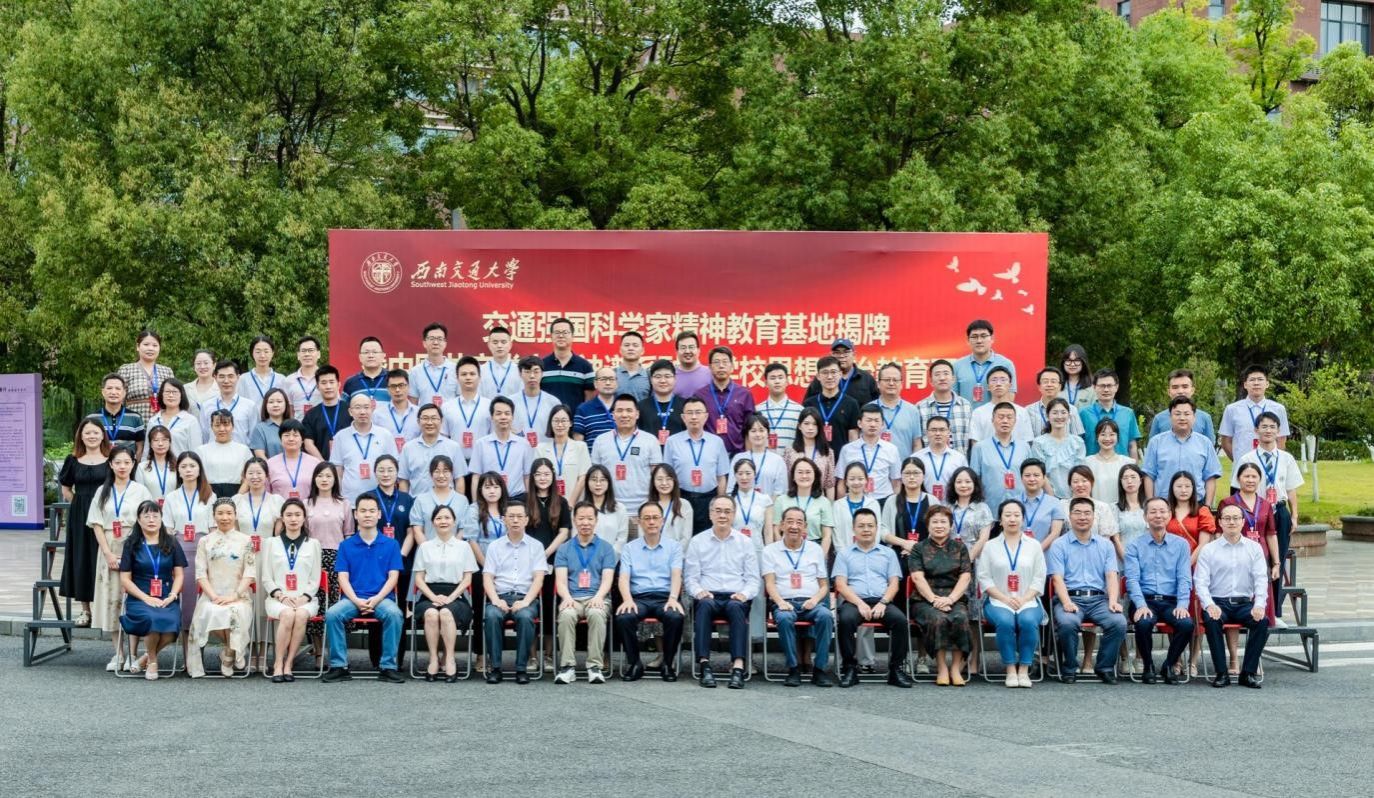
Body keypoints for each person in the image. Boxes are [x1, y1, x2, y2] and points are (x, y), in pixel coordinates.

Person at [322, 494, 405, 683]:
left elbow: (393, 577)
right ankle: (339, 666)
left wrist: (376, 599)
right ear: (356, 514)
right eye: (363, 511)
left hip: (382, 599)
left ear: (379, 514)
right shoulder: (346, 545)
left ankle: (388, 667)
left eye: (372, 511)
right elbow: (342, 577)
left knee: (394, 614)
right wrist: (356, 600)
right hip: (352, 599)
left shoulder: (391, 544)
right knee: (333, 614)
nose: (367, 514)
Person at [1048, 497, 1127, 683]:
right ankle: (1070, 668)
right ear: (1070, 516)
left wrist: (1113, 601)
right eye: (1077, 513)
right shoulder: (1059, 544)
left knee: (1118, 622)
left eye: (1087, 513)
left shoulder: (1106, 545)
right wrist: (1066, 602)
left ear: (1094, 516)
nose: (1082, 517)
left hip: (1099, 600)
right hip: (1070, 598)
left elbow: (1111, 576)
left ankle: (1105, 667)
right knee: (1067, 623)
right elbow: (1057, 579)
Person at [1233, 411, 1303, 619]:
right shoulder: (1247, 458)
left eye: (1272, 427)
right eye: (1264, 426)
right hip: (1255, 512)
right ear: (1256, 430)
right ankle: (1251, 607)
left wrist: (1294, 515)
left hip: (1279, 511)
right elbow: (1236, 489)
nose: (1268, 430)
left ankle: (1275, 613)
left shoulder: (1286, 458)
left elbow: (1291, 489)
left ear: (1278, 431)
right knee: (1253, 559)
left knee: (1277, 559)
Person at [88, 447, 154, 670]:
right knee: (112, 600)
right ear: (111, 465)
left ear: (133, 464)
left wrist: (134, 552)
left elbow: (149, 521)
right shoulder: (102, 491)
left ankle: (134, 653)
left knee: (132, 600)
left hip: (134, 545)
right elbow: (96, 523)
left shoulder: (141, 490)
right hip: (109, 546)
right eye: (118, 462)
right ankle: (118, 653)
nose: (122, 466)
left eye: (127, 462)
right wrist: (107, 553)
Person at [685, 496, 760, 689]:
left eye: (727, 511)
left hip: (736, 595)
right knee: (704, 606)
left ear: (733, 515)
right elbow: (691, 579)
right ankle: (704, 666)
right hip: (708, 594)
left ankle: (738, 667)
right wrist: (699, 592)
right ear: (710, 514)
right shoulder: (697, 541)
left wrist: (744, 594)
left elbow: (753, 579)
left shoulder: (745, 542)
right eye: (718, 511)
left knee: (736, 607)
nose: (722, 515)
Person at [833, 508, 912, 688]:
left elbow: (894, 584)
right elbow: (840, 585)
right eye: (861, 526)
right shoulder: (844, 554)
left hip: (882, 601)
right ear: (854, 529)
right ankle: (850, 669)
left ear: (876, 528)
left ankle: (895, 670)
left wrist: (883, 602)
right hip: (854, 602)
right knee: (845, 620)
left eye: (870, 525)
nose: (866, 529)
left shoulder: (888, 553)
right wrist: (859, 603)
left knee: (900, 621)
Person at [1196, 503, 1271, 688]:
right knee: (1212, 620)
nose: (1232, 522)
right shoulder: (1209, 549)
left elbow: (1261, 579)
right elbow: (1200, 582)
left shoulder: (1254, 548)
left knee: (1262, 622)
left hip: (1244, 603)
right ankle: (1222, 673)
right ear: (1220, 522)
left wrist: (1259, 605)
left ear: (1243, 522)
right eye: (1227, 518)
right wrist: (1209, 605)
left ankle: (1248, 673)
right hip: (1218, 602)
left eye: (1236, 518)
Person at [762, 506, 835, 687]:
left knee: (826, 616)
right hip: (784, 602)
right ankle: (793, 668)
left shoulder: (815, 549)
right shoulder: (770, 551)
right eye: (790, 522)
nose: (794, 526)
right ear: (781, 525)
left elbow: (824, 585)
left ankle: (819, 669)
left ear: (805, 527)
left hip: (811, 602)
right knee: (784, 618)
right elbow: (769, 583)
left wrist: (815, 600)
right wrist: (780, 602)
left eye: (799, 522)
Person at [976, 499, 1046, 688]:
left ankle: (1024, 669)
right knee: (1005, 622)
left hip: (1028, 600)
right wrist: (1005, 598)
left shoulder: (1034, 545)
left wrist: (1024, 598)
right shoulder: (990, 546)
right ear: (1000, 520)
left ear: (1023, 519)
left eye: (1016, 515)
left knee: (1028, 621)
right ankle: (1010, 670)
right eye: (1007, 515)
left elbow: (1039, 578)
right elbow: (984, 578)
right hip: (997, 600)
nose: (1012, 519)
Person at [1124, 497, 1194, 685]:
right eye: (1153, 511)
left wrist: (1182, 605)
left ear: (1169, 515)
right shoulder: (1134, 545)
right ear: (1145, 517)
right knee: (1143, 622)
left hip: (1171, 601)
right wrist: (1140, 605)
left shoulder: (1181, 545)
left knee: (1186, 624)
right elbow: (1132, 580)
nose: (1158, 515)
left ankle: (1169, 665)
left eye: (1162, 511)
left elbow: (1184, 578)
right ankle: (1148, 666)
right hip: (1145, 600)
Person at [616, 501, 687, 681]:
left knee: (675, 616)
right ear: (639, 521)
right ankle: (634, 664)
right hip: (639, 598)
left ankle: (667, 664)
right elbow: (623, 578)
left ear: (662, 521)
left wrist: (673, 598)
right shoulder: (630, 548)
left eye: (655, 517)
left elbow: (676, 575)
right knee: (624, 617)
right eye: (647, 518)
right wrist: (627, 600)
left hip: (665, 597)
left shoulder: (674, 547)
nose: (651, 522)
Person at [118, 500, 186, 680]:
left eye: (155, 516)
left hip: (165, 595)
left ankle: (145, 658)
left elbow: (179, 575)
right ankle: (153, 662)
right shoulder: (131, 544)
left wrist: (172, 595)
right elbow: (125, 579)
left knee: (172, 629)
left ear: (161, 519)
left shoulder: (171, 542)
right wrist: (145, 598)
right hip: (139, 596)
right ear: (138, 520)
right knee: (152, 618)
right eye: (146, 516)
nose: (151, 520)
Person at [187, 499, 255, 678]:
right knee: (210, 612)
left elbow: (250, 573)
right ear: (214, 516)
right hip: (212, 595)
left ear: (235, 515)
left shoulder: (246, 540)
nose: (225, 517)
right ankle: (233, 649)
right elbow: (200, 573)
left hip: (238, 596)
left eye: (229, 513)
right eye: (220, 513)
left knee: (235, 612)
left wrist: (235, 595)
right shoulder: (205, 541)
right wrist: (214, 596)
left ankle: (229, 654)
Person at [482, 503, 547, 684]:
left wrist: (525, 602)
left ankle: (521, 668)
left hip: (526, 598)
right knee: (492, 615)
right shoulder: (494, 546)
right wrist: (496, 600)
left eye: (519, 516)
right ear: (504, 520)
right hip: (500, 597)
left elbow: (539, 579)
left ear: (526, 520)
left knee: (525, 617)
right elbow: (487, 577)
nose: (515, 520)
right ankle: (495, 668)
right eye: (511, 516)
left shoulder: (536, 546)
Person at [552, 503, 618, 683]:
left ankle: (594, 666)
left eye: (590, 518)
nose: (585, 522)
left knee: (596, 613)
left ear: (596, 521)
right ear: (574, 520)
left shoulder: (606, 548)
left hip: (597, 597)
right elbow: (561, 580)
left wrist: (599, 597)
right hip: (572, 597)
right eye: (581, 518)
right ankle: (567, 667)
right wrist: (566, 598)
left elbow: (607, 579)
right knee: (566, 615)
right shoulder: (564, 548)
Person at [909, 505, 974, 686]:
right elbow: (917, 577)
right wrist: (934, 600)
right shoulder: (918, 548)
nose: (939, 526)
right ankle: (942, 668)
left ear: (950, 525)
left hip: (954, 597)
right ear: (928, 525)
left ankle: (955, 668)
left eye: (943, 522)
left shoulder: (960, 548)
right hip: (925, 600)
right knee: (938, 619)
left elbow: (965, 577)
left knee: (960, 617)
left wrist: (951, 599)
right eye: (935, 522)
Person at [412, 504, 477, 682]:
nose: (443, 521)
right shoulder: (425, 547)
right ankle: (433, 659)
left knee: (447, 612)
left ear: (454, 522)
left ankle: (449, 658)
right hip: (429, 594)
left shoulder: (464, 547)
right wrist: (433, 597)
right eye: (439, 518)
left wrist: (450, 597)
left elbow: (467, 579)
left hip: (456, 595)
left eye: (447, 517)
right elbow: (419, 579)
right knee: (431, 614)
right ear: (433, 522)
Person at [262, 499, 322, 682]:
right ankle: (278, 663)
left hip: (306, 599)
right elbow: (266, 577)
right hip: (278, 599)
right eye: (289, 515)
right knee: (288, 614)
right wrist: (280, 595)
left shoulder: (313, 543)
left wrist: (305, 597)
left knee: (301, 615)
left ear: (304, 518)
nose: (293, 519)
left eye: (297, 515)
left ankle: (289, 663)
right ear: (282, 518)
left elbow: (315, 577)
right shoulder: (271, 542)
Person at [234, 457, 285, 671]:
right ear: (244, 476)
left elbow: (278, 535)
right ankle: (247, 650)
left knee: (264, 606)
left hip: (267, 556)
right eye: (251, 473)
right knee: (246, 604)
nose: (255, 477)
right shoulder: (237, 501)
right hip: (243, 558)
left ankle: (263, 652)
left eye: (259, 473)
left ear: (267, 476)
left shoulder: (276, 501)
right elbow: (234, 532)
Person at [61, 420, 112, 628]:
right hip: (80, 515)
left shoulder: (111, 459)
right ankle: (85, 610)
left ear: (102, 435)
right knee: (82, 558)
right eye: (87, 433)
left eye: (96, 432)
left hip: (106, 514)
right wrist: (80, 504)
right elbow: (66, 489)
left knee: (103, 556)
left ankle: (107, 608)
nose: (92, 436)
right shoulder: (72, 460)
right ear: (81, 436)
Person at [1217, 463, 1280, 625]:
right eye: (1246, 476)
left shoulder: (1265, 504)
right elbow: (1219, 532)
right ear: (1238, 479)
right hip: (1235, 555)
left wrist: (1276, 563)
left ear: (1260, 480)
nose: (1250, 480)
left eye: (1254, 477)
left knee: (1261, 604)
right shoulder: (1228, 502)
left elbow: (1271, 534)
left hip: (1260, 556)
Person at [304, 462, 353, 661]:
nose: (324, 480)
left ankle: (337, 653)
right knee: (316, 605)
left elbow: (348, 535)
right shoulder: (306, 503)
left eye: (328, 476)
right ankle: (318, 652)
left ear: (335, 480)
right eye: (320, 475)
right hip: (312, 558)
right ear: (314, 479)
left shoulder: (344, 504)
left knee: (335, 605)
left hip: (338, 559)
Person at [462, 471, 510, 672]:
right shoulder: (474, 509)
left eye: (496, 486)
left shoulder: (508, 508)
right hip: (481, 568)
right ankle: (481, 654)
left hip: (506, 569)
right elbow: (471, 540)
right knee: (481, 612)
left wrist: (500, 569)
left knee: (500, 610)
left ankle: (496, 655)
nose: (492, 491)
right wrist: (487, 568)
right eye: (487, 487)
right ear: (480, 489)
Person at [589, 394, 663, 524]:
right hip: (609, 510)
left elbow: (657, 477)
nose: (624, 415)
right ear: (613, 414)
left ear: (637, 414)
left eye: (629, 410)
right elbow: (594, 477)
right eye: (619, 410)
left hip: (642, 512)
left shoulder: (651, 441)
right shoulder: (601, 441)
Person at [167, 452, 214, 652]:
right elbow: (168, 529)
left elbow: (213, 529)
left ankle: (199, 653)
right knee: (185, 602)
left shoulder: (209, 496)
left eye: (192, 466)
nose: (188, 470)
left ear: (199, 469)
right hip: (180, 551)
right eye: (184, 466)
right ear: (178, 471)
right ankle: (188, 655)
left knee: (200, 600)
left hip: (203, 550)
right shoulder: (171, 497)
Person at [665, 397, 729, 532]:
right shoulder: (672, 442)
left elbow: (721, 477)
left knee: (707, 538)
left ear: (706, 416)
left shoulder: (717, 442)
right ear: (683, 417)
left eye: (698, 412)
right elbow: (667, 476)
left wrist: (719, 502)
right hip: (681, 498)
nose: (694, 417)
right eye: (689, 413)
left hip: (709, 499)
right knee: (681, 536)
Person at [1142, 396, 1221, 505]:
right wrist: (1151, 503)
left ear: (1194, 417)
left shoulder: (1205, 443)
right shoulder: (1156, 442)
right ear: (1170, 417)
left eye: (1187, 414)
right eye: (1177, 414)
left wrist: (1207, 506)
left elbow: (1210, 477)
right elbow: (1149, 475)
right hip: (1163, 504)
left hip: (1196, 504)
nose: (1182, 418)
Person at [329, 391, 400, 503]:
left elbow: (394, 467)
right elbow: (338, 470)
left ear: (372, 409)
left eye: (366, 407)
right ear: (350, 412)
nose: (362, 412)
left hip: (381, 500)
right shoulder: (340, 437)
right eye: (357, 408)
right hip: (350, 500)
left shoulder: (385, 435)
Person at [469, 396, 534, 500]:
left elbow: (527, 477)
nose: (503, 417)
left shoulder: (524, 444)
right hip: (490, 500)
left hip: (517, 499)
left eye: (507, 413)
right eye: (498, 413)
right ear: (492, 417)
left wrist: (530, 503)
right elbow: (476, 477)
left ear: (512, 417)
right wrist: (476, 504)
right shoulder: (481, 444)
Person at [1219, 364, 1290, 461]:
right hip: (1243, 466)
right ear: (1245, 385)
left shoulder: (1278, 409)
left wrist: (1273, 462)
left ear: (1267, 384)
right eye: (1252, 380)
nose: (1256, 383)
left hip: (1269, 465)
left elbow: (1281, 440)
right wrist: (1239, 462)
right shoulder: (1232, 409)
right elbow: (1226, 442)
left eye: (1260, 379)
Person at [695, 346, 756, 455]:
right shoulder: (700, 395)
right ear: (710, 367)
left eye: (725, 362)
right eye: (716, 362)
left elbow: (750, 428)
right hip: (708, 454)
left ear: (732, 366)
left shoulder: (744, 394)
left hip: (737, 454)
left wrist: (747, 456)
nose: (721, 366)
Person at [837, 405, 905, 503]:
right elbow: (841, 482)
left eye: (877, 421)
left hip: (884, 499)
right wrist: (842, 505)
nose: (873, 424)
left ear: (882, 424)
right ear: (859, 423)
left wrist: (895, 505)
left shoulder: (891, 449)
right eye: (868, 420)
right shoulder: (847, 450)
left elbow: (896, 482)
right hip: (856, 499)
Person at [398, 403, 466, 498]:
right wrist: (405, 503)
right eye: (425, 418)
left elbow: (459, 479)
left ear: (441, 421)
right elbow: (404, 480)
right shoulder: (408, 448)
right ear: (418, 421)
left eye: (434, 418)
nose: (429, 422)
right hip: (416, 501)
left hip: (446, 503)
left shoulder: (453, 447)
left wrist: (458, 503)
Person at [968, 402, 1029, 507]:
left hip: (1020, 508)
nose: (1005, 421)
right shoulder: (979, 448)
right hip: (990, 507)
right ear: (992, 420)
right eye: (1000, 417)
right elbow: (974, 480)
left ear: (1015, 421)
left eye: (1009, 417)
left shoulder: (1024, 447)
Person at [773, 457, 835, 556]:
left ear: (815, 475)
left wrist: (821, 557)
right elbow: (776, 530)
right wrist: (783, 553)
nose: (804, 476)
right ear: (793, 476)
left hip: (815, 548)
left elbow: (827, 536)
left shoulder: (824, 502)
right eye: (800, 472)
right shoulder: (781, 500)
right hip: (787, 547)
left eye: (808, 472)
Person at [880, 457, 937, 556]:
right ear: (901, 477)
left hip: (926, 555)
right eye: (907, 473)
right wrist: (904, 543)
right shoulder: (891, 501)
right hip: (897, 555)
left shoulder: (932, 501)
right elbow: (883, 531)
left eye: (916, 473)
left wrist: (917, 548)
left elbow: (938, 530)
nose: (911, 477)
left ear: (923, 476)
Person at [1029, 397, 1086, 497]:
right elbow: (1039, 472)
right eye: (1055, 413)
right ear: (1047, 416)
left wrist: (1074, 496)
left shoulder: (1078, 442)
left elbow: (1080, 471)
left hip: (1074, 495)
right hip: (1047, 496)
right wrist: (1051, 496)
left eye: (1063, 412)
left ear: (1069, 416)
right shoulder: (1039, 442)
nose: (1059, 416)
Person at [953, 320, 1017, 409]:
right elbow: (953, 397)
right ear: (968, 340)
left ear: (992, 338)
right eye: (974, 337)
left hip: (994, 416)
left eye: (983, 336)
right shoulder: (957, 366)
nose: (979, 341)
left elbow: (1009, 396)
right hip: (966, 416)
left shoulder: (1006, 364)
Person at [408, 455, 471, 542]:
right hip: (426, 549)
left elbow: (463, 530)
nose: (441, 475)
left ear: (452, 474)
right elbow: (417, 530)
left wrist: (454, 548)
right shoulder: (420, 500)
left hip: (455, 549)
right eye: (437, 471)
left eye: (445, 471)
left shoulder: (462, 500)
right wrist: (428, 549)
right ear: (431, 474)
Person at [914, 360, 973, 452]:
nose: (942, 378)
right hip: (930, 460)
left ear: (953, 379)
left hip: (960, 460)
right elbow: (917, 442)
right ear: (930, 381)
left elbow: (971, 441)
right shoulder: (920, 407)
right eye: (937, 374)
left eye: (946, 373)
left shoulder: (965, 406)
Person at [442, 356, 493, 463]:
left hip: (483, 462)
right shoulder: (447, 407)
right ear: (457, 378)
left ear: (479, 377)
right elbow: (443, 439)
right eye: (464, 374)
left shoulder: (489, 406)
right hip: (454, 462)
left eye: (472, 374)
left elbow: (493, 437)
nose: (468, 377)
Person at [968, 366, 1035, 447]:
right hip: (987, 454)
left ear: (1010, 385)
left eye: (1003, 380)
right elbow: (975, 443)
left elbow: (1027, 441)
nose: (998, 384)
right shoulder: (978, 413)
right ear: (988, 387)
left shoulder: (1022, 412)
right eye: (994, 380)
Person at [1080, 369, 1140, 458]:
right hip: (1091, 465)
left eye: (1109, 385)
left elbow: (1132, 446)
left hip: (1122, 466)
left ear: (1116, 387)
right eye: (1102, 386)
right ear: (1094, 387)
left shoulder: (1128, 413)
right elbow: (1078, 444)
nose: (1106, 389)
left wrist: (1134, 465)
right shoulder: (1083, 414)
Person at [117, 330, 176, 419]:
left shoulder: (167, 371)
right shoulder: (126, 370)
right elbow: (118, 400)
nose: (150, 348)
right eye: (146, 344)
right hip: (133, 421)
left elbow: (174, 400)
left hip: (162, 422)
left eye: (155, 345)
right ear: (138, 347)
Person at [803, 356, 861, 446]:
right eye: (825, 372)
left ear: (840, 374)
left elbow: (853, 437)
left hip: (842, 454)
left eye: (833, 372)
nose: (829, 377)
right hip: (815, 454)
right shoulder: (809, 404)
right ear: (818, 376)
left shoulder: (851, 404)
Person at [537, 405, 590, 503]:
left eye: (564, 420)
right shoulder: (540, 449)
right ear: (550, 423)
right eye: (556, 421)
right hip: (549, 504)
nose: (560, 424)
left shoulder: (580, 447)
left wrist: (570, 504)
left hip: (575, 504)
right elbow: (538, 478)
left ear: (570, 423)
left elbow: (583, 477)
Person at [1147, 369, 1216, 443]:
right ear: (1169, 392)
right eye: (1175, 387)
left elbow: (1210, 447)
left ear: (1192, 390)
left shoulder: (1205, 418)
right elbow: (1152, 446)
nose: (1180, 391)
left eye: (1185, 387)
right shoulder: (1159, 419)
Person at [540, 316, 595, 409]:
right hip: (548, 417)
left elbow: (589, 399)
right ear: (551, 336)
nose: (561, 336)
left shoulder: (585, 366)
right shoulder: (541, 365)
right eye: (557, 332)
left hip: (575, 418)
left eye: (565, 332)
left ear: (572, 336)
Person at [198, 360, 257, 446]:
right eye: (222, 376)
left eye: (230, 376)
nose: (226, 381)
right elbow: (205, 436)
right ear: (215, 377)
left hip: (241, 453)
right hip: (213, 452)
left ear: (238, 377)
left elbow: (253, 437)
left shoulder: (249, 406)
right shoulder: (206, 406)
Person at [729, 414, 790, 498]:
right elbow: (730, 489)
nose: (757, 434)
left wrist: (769, 505)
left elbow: (781, 491)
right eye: (753, 431)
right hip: (742, 505)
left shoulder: (777, 460)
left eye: (761, 430)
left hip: (770, 505)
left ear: (768, 433)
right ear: (748, 434)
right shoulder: (738, 458)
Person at [805, 338, 878, 406]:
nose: (841, 356)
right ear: (831, 355)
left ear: (854, 354)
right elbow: (808, 406)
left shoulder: (867, 378)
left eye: (846, 352)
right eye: (837, 352)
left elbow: (876, 405)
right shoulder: (822, 378)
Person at [195, 410, 252, 497]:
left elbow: (248, 478)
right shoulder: (201, 451)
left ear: (232, 426)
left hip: (238, 494)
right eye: (217, 425)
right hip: (208, 495)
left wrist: (238, 497)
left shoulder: (244, 450)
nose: (222, 429)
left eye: (226, 425)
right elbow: (197, 478)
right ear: (211, 427)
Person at [89, 373, 146, 459]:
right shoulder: (92, 419)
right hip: (99, 465)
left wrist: (135, 465)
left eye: (118, 389)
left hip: (126, 465)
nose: (113, 392)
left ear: (124, 393)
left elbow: (140, 447)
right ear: (103, 392)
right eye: (109, 388)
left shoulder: (135, 418)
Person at [1013, 459, 1067, 545]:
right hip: (1016, 551)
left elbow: (1055, 533)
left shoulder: (1054, 503)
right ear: (1021, 478)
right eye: (1027, 475)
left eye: (1036, 475)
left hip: (1045, 552)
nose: (1032, 479)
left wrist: (1037, 550)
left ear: (1043, 478)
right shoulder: (1012, 503)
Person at [786, 408, 837, 498]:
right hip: (795, 499)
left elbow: (830, 484)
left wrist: (830, 504)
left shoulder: (827, 452)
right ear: (799, 426)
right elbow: (786, 480)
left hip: (819, 499)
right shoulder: (790, 451)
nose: (810, 428)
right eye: (806, 423)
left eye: (814, 424)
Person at [914, 416, 967, 503]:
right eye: (933, 430)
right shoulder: (916, 458)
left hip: (951, 505)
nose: (938, 433)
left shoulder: (959, 458)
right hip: (923, 505)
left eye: (942, 430)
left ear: (948, 432)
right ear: (927, 432)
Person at [300, 365, 346, 461]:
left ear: (338, 384)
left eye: (331, 382)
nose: (328, 386)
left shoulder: (350, 410)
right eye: (324, 383)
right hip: (321, 466)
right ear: (318, 386)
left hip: (348, 464)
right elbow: (308, 444)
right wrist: (324, 464)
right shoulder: (311, 414)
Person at [146, 378, 202, 457]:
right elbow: (147, 451)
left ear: (181, 395)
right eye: (167, 392)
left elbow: (196, 451)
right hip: (156, 464)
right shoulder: (153, 421)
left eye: (175, 392)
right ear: (162, 394)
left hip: (181, 464)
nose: (171, 395)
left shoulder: (190, 421)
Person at [409, 323, 460, 407]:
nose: (435, 342)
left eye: (440, 339)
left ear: (445, 343)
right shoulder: (415, 372)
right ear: (424, 343)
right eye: (431, 339)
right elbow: (413, 403)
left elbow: (460, 399)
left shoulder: (456, 370)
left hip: (449, 415)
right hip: (425, 415)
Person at [513, 356, 559, 447]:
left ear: (542, 373)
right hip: (518, 451)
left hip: (546, 452)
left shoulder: (553, 402)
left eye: (536, 371)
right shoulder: (511, 402)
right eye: (527, 372)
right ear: (520, 374)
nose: (532, 376)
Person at [1025, 367, 1085, 437]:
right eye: (1045, 381)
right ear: (1039, 387)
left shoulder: (1072, 409)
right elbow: (1026, 438)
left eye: (1053, 381)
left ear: (1060, 386)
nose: (1049, 385)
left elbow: (1077, 438)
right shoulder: (1028, 410)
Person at [637, 359, 687, 442]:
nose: (663, 381)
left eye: (667, 376)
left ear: (675, 379)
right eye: (658, 377)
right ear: (651, 380)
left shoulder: (685, 405)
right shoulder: (641, 406)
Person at [1085, 419, 1134, 503]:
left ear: (1117, 437)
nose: (1107, 438)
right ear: (1097, 437)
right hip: (1096, 509)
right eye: (1103, 434)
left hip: (1121, 509)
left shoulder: (1127, 463)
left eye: (1112, 434)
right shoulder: (1087, 462)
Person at [581, 465, 628, 553]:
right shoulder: (580, 509)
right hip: (585, 558)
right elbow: (576, 539)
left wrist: (608, 558)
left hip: (612, 557)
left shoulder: (620, 509)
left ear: (608, 482)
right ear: (587, 482)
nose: (598, 484)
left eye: (602, 480)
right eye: (594, 480)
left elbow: (621, 540)